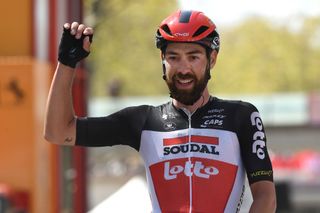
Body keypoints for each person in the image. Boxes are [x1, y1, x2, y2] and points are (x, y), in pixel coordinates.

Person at [44, 10, 276, 213]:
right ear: (162, 60)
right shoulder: (142, 120)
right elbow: (58, 131)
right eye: (173, 57)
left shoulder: (241, 116)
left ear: (212, 59)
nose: (183, 68)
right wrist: (66, 63)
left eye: (193, 57)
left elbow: (265, 196)